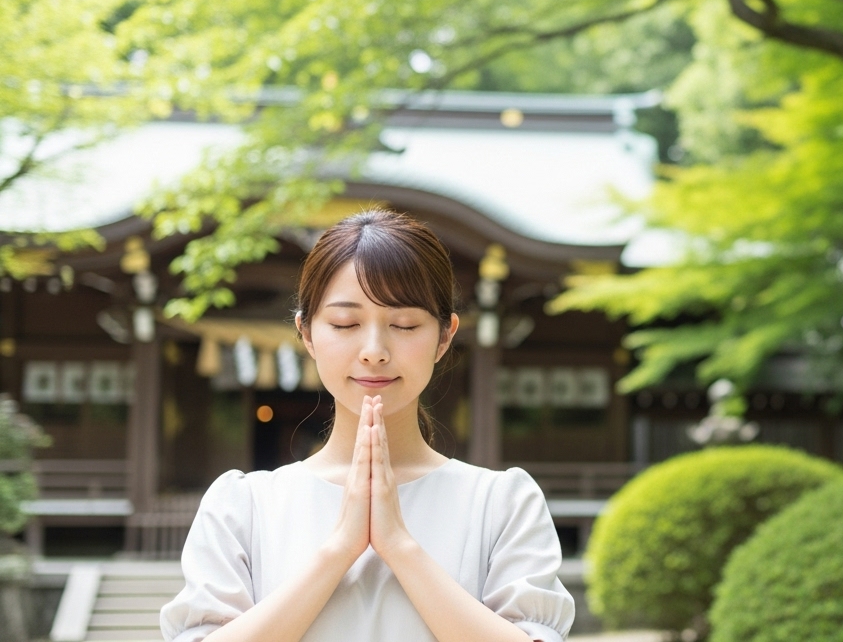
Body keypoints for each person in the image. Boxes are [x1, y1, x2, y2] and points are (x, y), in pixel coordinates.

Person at [161, 210, 574, 642]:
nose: (374, 351)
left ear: (445, 335)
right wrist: (339, 549)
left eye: (404, 324)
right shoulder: (242, 507)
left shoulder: (502, 504)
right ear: (306, 333)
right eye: (345, 324)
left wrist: (399, 545)